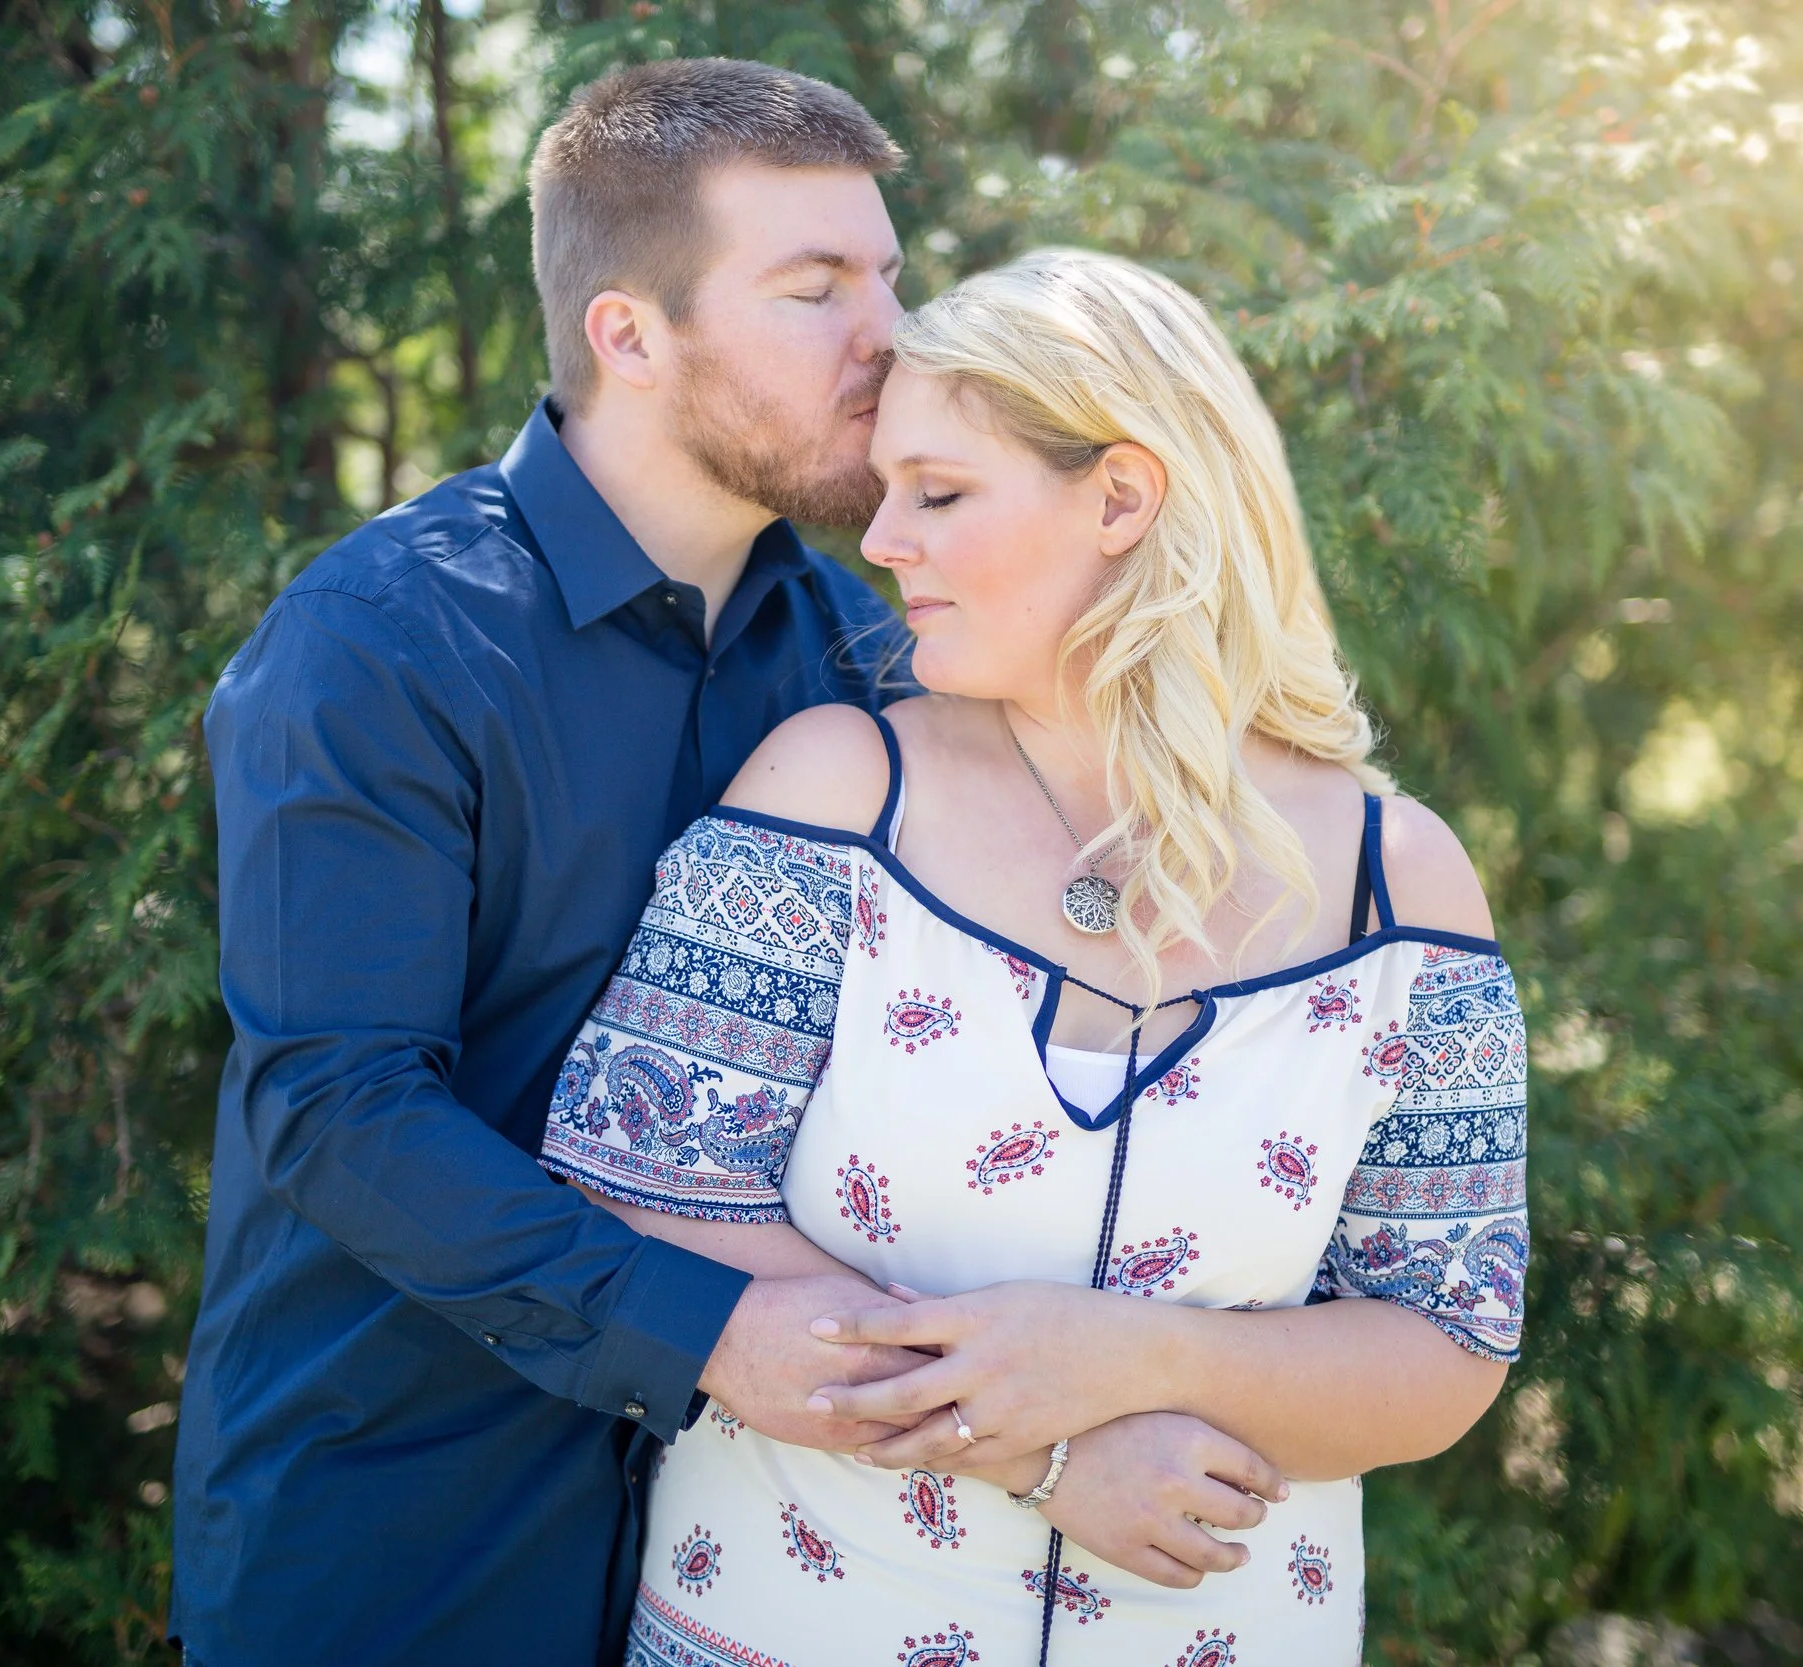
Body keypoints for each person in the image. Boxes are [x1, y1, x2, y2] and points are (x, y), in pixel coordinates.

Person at [541, 248, 1531, 1665]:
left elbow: (1447, 1342)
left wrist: (1134, 1360)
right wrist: (1051, 1459)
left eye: (938, 493)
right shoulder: (830, 794)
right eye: (886, 491)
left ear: (1122, 498)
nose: (883, 541)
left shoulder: (1401, 884)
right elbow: (644, 1199)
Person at [170, 60, 924, 1665]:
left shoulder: (877, 658)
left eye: (887, 278)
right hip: (399, 1530)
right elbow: (339, 1106)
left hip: (768, 1555)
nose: (888, 338)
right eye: (815, 288)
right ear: (630, 335)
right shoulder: (377, 645)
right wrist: (709, 1335)